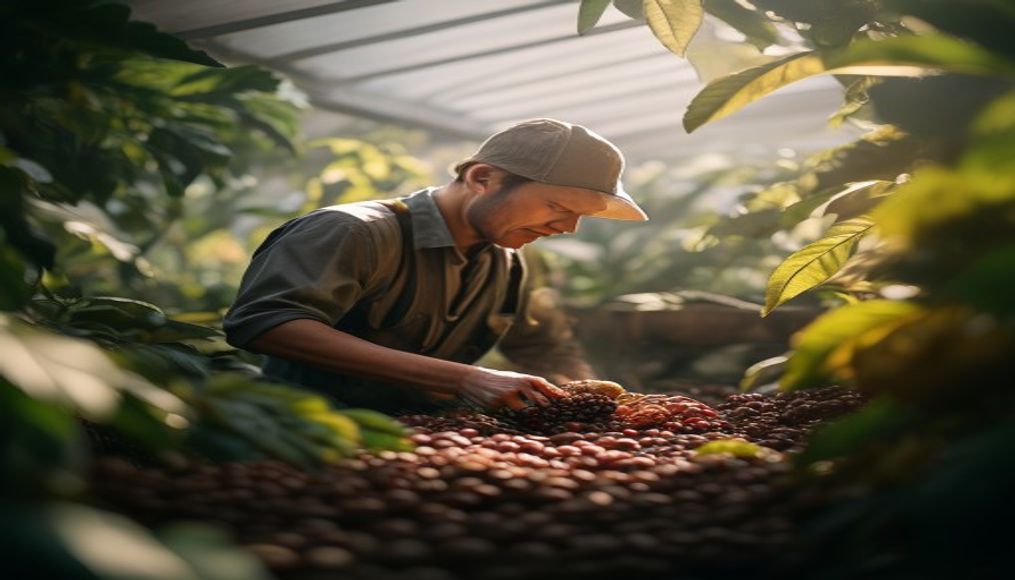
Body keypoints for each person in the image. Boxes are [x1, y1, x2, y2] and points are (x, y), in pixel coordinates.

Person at [223, 118, 648, 414]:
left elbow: (543, 347)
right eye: (558, 206)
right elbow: (267, 323)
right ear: (483, 178)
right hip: (309, 427)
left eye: (581, 217)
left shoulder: (514, 261)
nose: (568, 228)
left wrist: (591, 399)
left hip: (425, 436)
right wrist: (465, 378)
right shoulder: (353, 232)